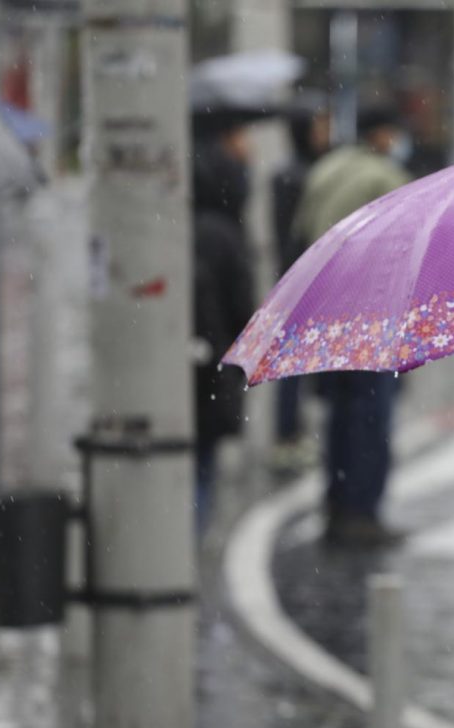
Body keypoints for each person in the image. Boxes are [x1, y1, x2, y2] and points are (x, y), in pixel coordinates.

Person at [292, 106, 412, 546]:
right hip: (369, 313)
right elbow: (407, 249)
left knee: (340, 413)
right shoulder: (384, 179)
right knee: (371, 415)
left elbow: (302, 229)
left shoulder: (326, 168)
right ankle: (362, 511)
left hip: (325, 309)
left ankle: (338, 502)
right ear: (381, 135)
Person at [191, 120, 255, 531]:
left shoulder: (179, 226)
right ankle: (188, 552)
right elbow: (242, 312)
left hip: (177, 367)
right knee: (202, 467)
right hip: (211, 369)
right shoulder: (227, 237)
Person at [271, 94, 331, 467]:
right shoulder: (295, 175)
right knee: (292, 365)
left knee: (299, 363)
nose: (326, 133)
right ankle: (287, 433)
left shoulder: (304, 170)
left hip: (301, 276)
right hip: (301, 279)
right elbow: (295, 233)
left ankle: (293, 432)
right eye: (319, 125)